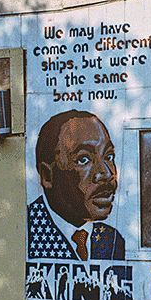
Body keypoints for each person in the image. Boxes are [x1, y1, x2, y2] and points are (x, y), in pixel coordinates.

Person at [28, 109, 125, 262]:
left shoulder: (112, 241)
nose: (106, 174)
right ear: (47, 175)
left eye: (109, 156)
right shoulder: (27, 232)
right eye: (83, 160)